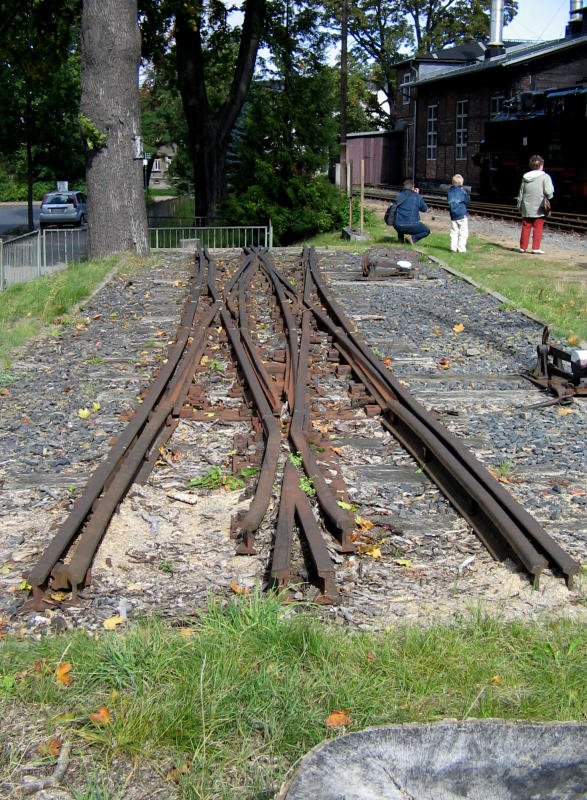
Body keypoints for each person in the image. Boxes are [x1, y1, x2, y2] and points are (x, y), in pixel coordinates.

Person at [516, 154, 554, 254]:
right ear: (541, 165)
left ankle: (523, 247)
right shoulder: (545, 177)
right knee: (538, 227)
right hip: (539, 207)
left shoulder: (525, 177)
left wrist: (519, 205)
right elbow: (549, 191)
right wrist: (550, 197)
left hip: (527, 206)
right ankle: (535, 248)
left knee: (526, 226)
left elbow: (521, 192)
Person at [393, 179, 430, 244]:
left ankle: (400, 240)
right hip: (412, 226)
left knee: (400, 217)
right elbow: (425, 209)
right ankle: (412, 239)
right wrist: (417, 194)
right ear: (413, 187)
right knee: (426, 231)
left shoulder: (398, 196)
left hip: (397, 226)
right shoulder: (417, 196)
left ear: (404, 187)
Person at [447, 174, 470, 253]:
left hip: (453, 215)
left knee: (454, 232)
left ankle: (453, 248)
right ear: (461, 183)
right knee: (463, 232)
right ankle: (461, 249)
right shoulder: (462, 191)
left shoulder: (449, 191)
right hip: (461, 214)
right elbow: (467, 201)